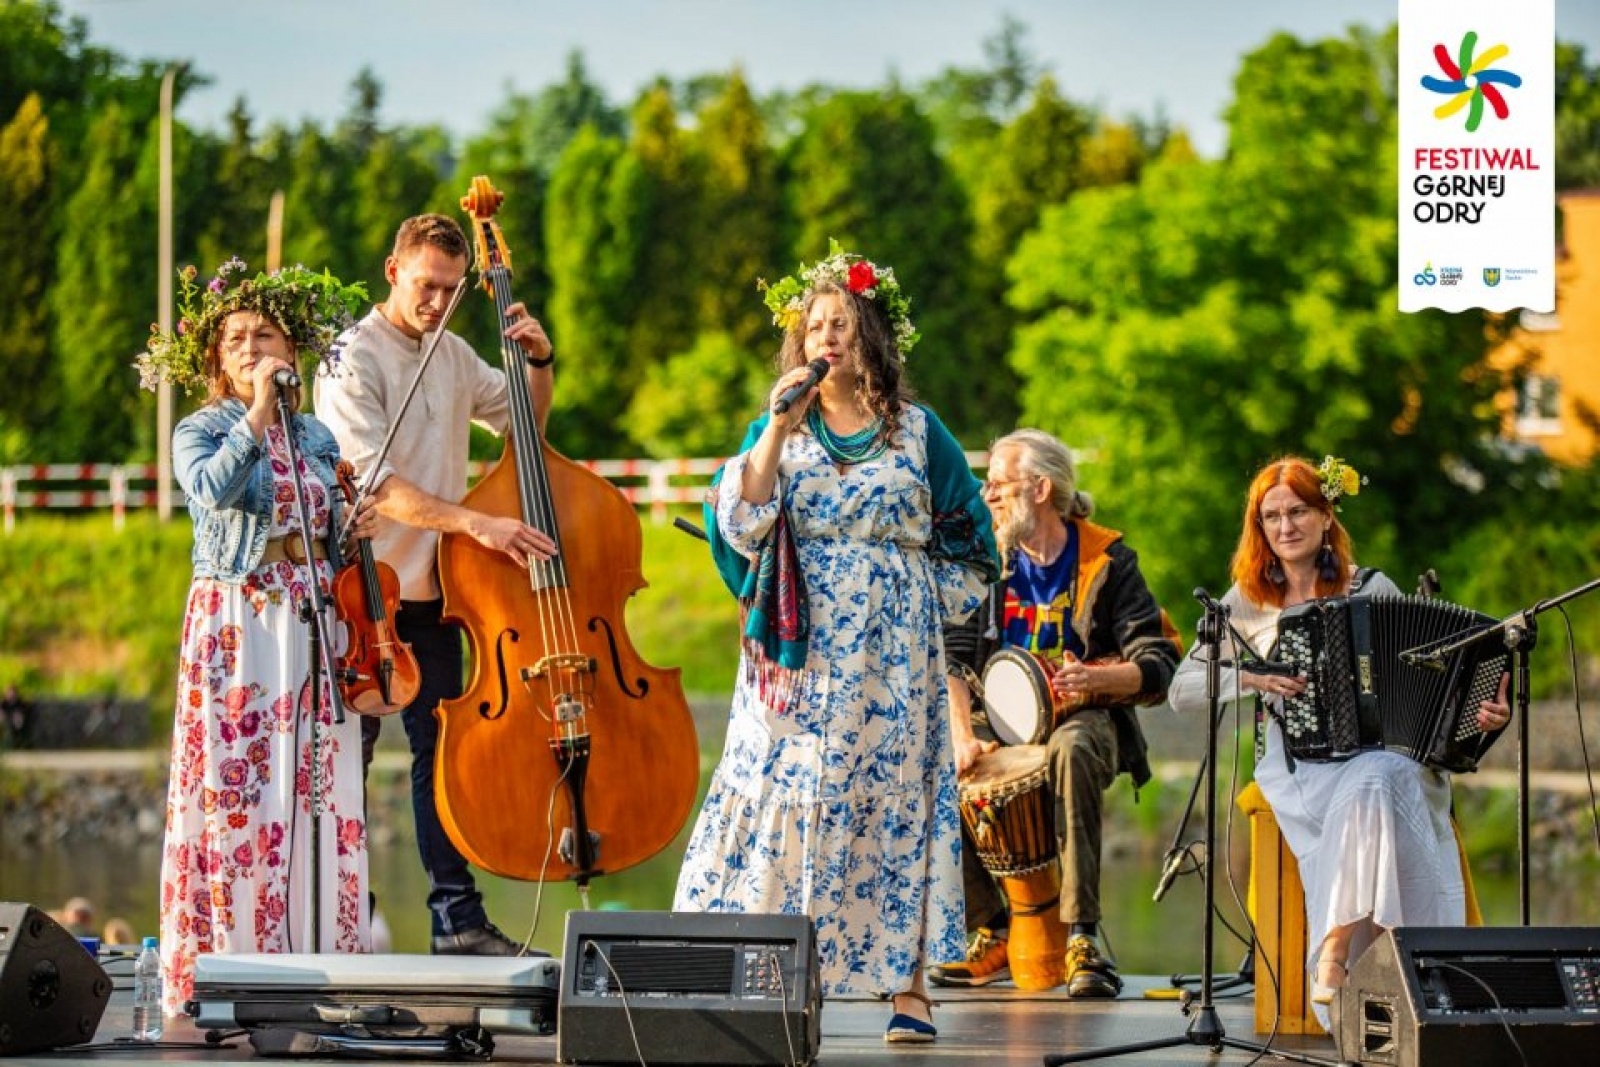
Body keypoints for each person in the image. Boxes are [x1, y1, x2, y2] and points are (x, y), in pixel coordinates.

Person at [673, 243, 999, 1044]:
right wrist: (778, 425)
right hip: (802, 652)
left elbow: (972, 541)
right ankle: (773, 973)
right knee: (787, 787)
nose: (829, 336)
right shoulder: (778, 424)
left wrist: (919, 601)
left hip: (893, 658)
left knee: (899, 803)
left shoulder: (920, 432)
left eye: (845, 323)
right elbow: (740, 520)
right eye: (816, 324)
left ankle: (909, 989)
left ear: (874, 337)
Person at [1166, 455, 1511, 1024]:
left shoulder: (1373, 587)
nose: (1285, 527)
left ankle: (1335, 950)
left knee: (1380, 774)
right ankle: (1403, 972)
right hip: (1302, 767)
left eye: (1298, 511)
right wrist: (1252, 677)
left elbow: (1433, 689)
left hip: (1385, 760)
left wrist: (1481, 715)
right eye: (1271, 516)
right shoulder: (1249, 599)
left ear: (1326, 516)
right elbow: (1182, 687)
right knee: (1376, 779)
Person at [314, 214, 558, 957]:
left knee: (441, 757)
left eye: (453, 291)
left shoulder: (452, 352)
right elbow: (379, 489)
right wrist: (475, 524)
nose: (439, 303)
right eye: (427, 286)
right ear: (393, 270)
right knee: (347, 762)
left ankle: (457, 921)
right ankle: (345, 919)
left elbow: (524, 425)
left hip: (438, 594)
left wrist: (541, 364)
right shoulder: (347, 359)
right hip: (365, 590)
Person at [138, 258, 376, 1016]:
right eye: (234, 338)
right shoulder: (201, 428)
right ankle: (236, 969)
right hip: (240, 623)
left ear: (290, 350)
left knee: (310, 791)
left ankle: (320, 968)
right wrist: (257, 416)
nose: (248, 347)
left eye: (262, 334)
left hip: (310, 618)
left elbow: (322, 526)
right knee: (244, 792)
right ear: (216, 357)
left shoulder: (316, 433)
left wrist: (350, 528)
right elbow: (210, 491)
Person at [930, 429, 1180, 997]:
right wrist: (963, 735)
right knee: (928, 761)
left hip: (1084, 714)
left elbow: (1158, 660)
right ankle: (990, 929)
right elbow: (952, 655)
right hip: (997, 718)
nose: (987, 495)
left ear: (1041, 488)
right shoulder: (985, 559)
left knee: (1071, 749)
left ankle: (1082, 936)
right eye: (985, 484)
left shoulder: (1107, 560)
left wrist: (1098, 679)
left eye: (999, 484)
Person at [1, 683, 32, 748]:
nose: (10, 695)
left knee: (17, 720)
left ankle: (17, 741)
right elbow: (2, 709)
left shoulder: (19, 701)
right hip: (7, 720)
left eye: (11, 693)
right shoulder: (4, 702)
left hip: (17, 720)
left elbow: (24, 709)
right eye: (8, 693)